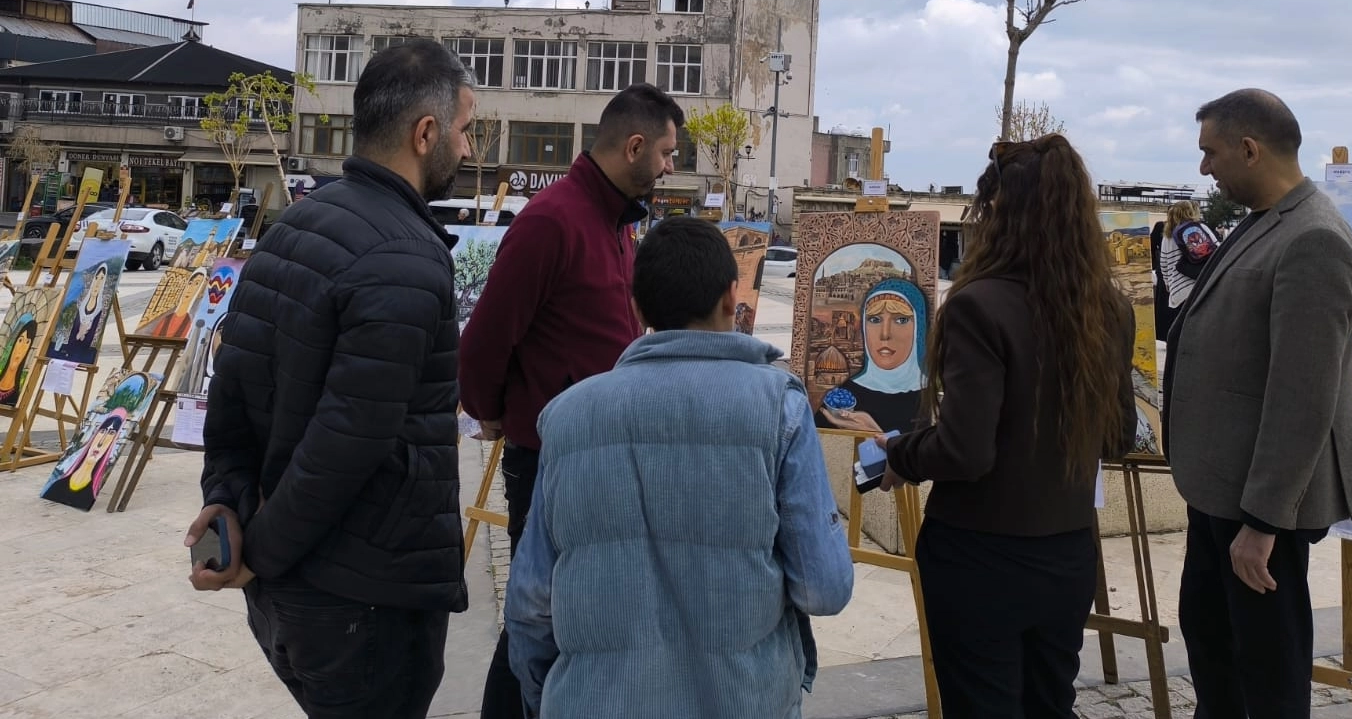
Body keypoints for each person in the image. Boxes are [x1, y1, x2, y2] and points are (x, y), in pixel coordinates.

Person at [184, 38, 476, 719]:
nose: (468, 149)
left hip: (294, 596)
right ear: (424, 132)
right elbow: (350, 439)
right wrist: (260, 552)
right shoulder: (405, 255)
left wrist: (226, 501)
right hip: (361, 596)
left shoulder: (292, 226)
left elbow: (231, 390)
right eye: (464, 130)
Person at [504, 217, 854, 718]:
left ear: (637, 307)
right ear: (732, 297)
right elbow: (824, 587)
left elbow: (530, 605)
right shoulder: (779, 407)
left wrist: (549, 699)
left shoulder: (567, 416)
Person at [878, 134, 1137, 716]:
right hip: (1068, 554)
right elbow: (1119, 435)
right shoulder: (1109, 308)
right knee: (1050, 705)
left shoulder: (980, 305)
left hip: (981, 558)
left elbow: (967, 450)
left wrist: (903, 456)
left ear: (998, 214)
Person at [459, 81, 684, 719]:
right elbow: (483, 342)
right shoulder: (552, 220)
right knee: (537, 614)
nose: (671, 167)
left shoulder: (617, 224)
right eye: (666, 154)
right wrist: (496, 413)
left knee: (575, 615)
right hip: (552, 458)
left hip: (607, 455)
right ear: (634, 146)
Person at [1165, 89, 1352, 718]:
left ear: (1249, 149)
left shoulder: (1313, 239)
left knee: (1266, 674)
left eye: (1212, 153)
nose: (1205, 169)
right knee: (1214, 647)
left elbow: (1300, 398)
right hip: (1221, 489)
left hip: (1257, 508)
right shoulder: (1265, 220)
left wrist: (1262, 524)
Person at [817, 278, 929, 435]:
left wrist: (873, 434)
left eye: (901, 319)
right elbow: (823, 454)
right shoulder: (842, 401)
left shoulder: (936, 398)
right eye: (874, 319)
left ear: (918, 328)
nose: (885, 334)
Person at [1158, 200, 1217, 315]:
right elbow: (1218, 249)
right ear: (1189, 212)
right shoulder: (1200, 228)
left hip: (1178, 290)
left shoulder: (1167, 235)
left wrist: (1167, 282)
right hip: (1198, 285)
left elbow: (1163, 263)